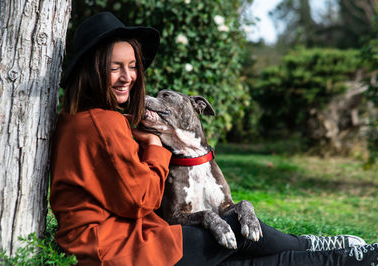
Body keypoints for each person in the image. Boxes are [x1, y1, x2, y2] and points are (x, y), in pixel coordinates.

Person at [50, 12, 378, 266]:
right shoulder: (101, 123)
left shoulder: (80, 119)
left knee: (235, 256)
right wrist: (154, 147)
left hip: (108, 242)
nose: (128, 77)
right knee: (235, 229)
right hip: (120, 249)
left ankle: (349, 259)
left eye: (133, 66)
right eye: (114, 68)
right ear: (92, 69)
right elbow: (141, 199)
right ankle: (318, 247)